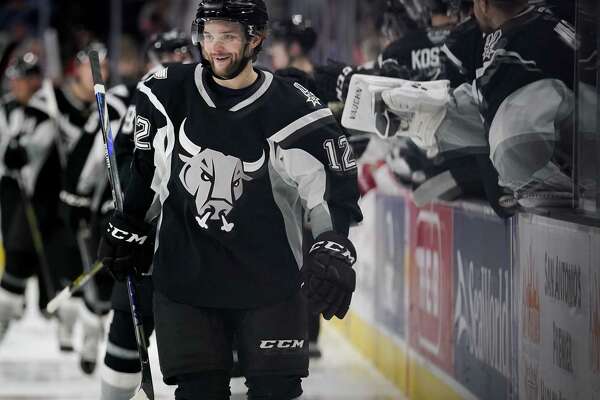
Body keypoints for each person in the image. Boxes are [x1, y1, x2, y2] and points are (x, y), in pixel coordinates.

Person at [98, 1, 362, 399]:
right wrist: (131, 222)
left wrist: (331, 241)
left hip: (269, 286)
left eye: (228, 37)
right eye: (208, 35)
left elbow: (326, 189)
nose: (216, 47)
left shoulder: (292, 108)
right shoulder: (165, 93)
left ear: (255, 39)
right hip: (187, 284)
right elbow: (147, 171)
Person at [99, 29, 196, 399]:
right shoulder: (146, 103)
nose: (174, 63)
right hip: (146, 240)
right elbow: (126, 166)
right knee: (127, 323)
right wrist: (128, 220)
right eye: (166, 56)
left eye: (181, 55)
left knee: (202, 337)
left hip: (196, 244)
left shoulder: (212, 102)